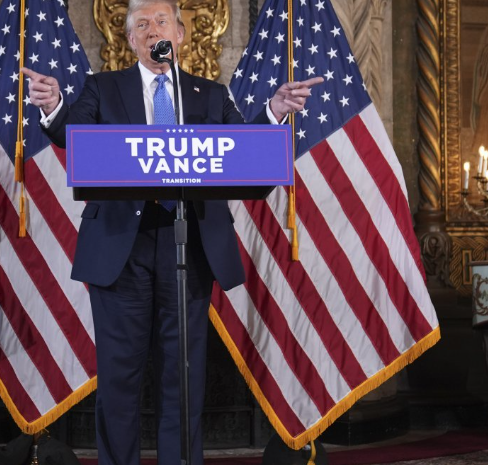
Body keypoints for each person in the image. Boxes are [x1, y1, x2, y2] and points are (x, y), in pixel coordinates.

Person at [22, 1, 322, 464]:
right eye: (141, 24)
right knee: (119, 381)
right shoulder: (103, 88)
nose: (152, 30)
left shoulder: (210, 94)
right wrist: (55, 106)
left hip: (190, 247)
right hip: (121, 249)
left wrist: (274, 112)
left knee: (182, 379)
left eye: (161, 21)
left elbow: (244, 152)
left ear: (179, 34)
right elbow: (74, 135)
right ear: (130, 40)